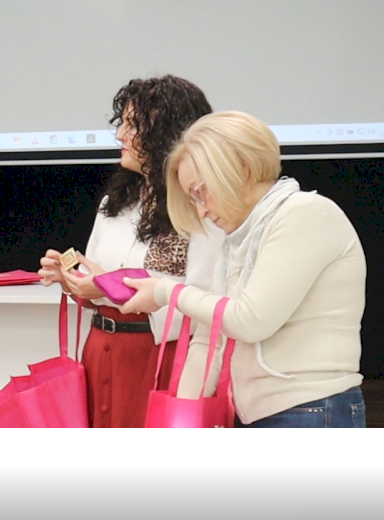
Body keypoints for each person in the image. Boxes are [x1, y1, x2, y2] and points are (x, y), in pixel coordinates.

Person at [119, 111, 366, 427]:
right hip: (263, 415)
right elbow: (209, 339)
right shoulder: (237, 239)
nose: (201, 211)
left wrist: (168, 292)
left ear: (242, 169)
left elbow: (250, 321)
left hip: (312, 411)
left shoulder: (306, 214)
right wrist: (179, 422)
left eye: (200, 192)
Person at [38, 75, 223, 427]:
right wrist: (71, 280)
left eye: (132, 125)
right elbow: (96, 281)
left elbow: (205, 300)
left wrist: (108, 286)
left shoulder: (202, 207)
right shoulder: (115, 202)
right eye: (120, 123)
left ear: (166, 132)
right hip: (101, 348)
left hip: (158, 356)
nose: (120, 135)